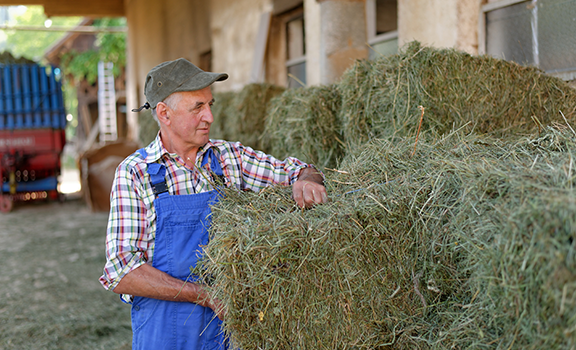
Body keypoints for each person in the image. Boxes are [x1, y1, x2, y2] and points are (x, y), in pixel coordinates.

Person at [99, 58, 327, 349]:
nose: (209, 117)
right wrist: (203, 294)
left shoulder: (229, 158)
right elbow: (122, 272)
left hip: (229, 332)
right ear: (164, 114)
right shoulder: (136, 173)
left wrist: (309, 180)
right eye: (197, 107)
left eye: (210, 105)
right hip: (167, 332)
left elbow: (299, 170)